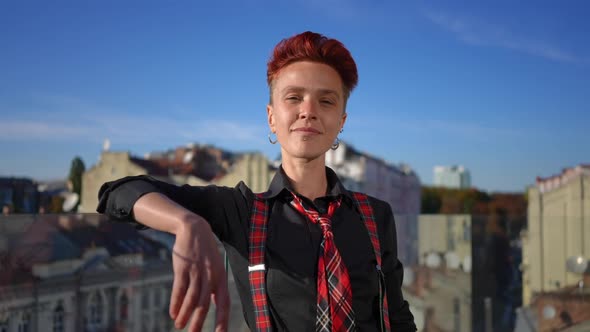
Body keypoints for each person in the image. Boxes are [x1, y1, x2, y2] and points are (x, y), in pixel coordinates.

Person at [97, 31, 416, 332]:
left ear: (341, 122)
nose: (309, 111)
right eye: (294, 98)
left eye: (326, 101)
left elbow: (397, 316)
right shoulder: (241, 211)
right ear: (271, 117)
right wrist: (186, 223)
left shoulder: (376, 215)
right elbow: (117, 192)